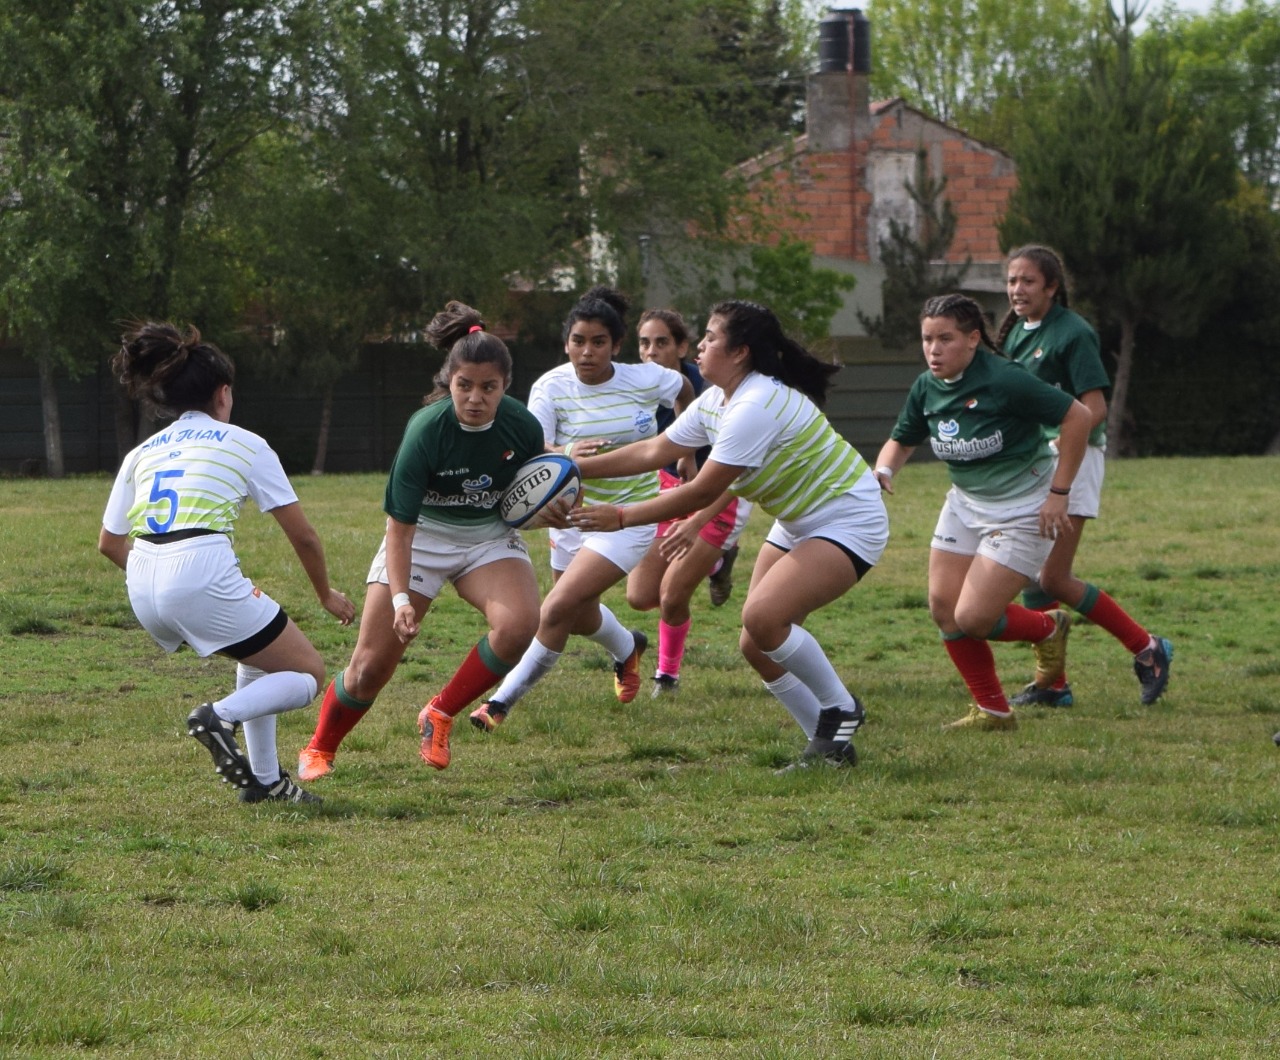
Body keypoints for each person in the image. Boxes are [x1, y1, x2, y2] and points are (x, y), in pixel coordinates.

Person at [567, 300, 888, 770]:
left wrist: (620, 516)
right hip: (800, 520)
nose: (699, 344)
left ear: (739, 352)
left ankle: (840, 708)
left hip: (848, 519)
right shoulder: (719, 398)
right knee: (755, 644)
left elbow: (702, 491)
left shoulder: (754, 405)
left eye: (711, 337)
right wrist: (573, 467)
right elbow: (656, 449)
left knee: (763, 618)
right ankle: (831, 752)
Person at [98, 322, 355, 804]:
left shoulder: (140, 453)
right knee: (306, 674)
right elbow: (303, 535)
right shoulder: (245, 443)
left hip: (142, 579)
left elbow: (109, 543)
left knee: (261, 658)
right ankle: (220, 717)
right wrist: (325, 593)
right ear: (223, 393)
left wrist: (159, 578)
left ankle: (265, 784)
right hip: (199, 571)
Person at [295, 302, 546, 778]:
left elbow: (529, 496)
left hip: (487, 536)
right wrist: (402, 599)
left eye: (488, 387)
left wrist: (553, 506)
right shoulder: (425, 431)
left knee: (519, 625)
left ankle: (440, 712)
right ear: (449, 381)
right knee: (370, 668)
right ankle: (320, 747)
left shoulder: (523, 426)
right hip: (422, 536)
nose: (475, 398)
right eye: (464, 386)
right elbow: (400, 529)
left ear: (505, 386)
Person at [466, 287, 692, 733]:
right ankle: (628, 647)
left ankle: (498, 703)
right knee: (578, 615)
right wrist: (567, 449)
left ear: (617, 346)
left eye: (598, 342)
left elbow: (683, 385)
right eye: (578, 341)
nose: (586, 352)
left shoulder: (646, 377)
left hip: (629, 516)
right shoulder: (551, 386)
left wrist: (684, 446)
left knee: (555, 608)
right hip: (570, 515)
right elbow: (535, 448)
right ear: (566, 341)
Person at [872, 293, 1092, 732]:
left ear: (974, 339)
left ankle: (1047, 628)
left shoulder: (1006, 379)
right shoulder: (926, 387)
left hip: (1025, 510)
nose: (934, 350)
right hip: (965, 504)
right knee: (943, 608)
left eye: (945, 339)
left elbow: (1080, 416)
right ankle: (993, 710)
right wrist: (883, 469)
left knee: (974, 618)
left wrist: (1060, 493)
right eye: (927, 339)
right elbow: (903, 438)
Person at [998, 245, 1173, 707]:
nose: (1017, 290)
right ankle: (1053, 685)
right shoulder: (1017, 332)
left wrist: (1058, 445)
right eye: (1012, 281)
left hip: (1074, 461)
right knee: (1037, 580)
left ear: (1052, 287)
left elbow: (1093, 408)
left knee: (1052, 578)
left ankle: (1148, 647)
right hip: (1038, 461)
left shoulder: (1073, 333)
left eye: (1028, 281)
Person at [626, 308, 754, 695]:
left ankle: (667, 676)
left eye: (662, 343)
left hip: (718, 496)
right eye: (644, 343)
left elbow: (736, 467)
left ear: (682, 347)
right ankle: (717, 561)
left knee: (671, 594)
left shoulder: (710, 385)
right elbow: (646, 449)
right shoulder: (638, 388)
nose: (651, 352)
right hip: (668, 488)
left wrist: (691, 460)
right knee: (639, 596)